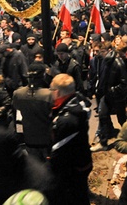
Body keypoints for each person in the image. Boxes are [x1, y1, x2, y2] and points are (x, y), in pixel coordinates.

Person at [49, 73, 92, 205]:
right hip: (82, 160)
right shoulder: (78, 100)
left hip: (72, 169)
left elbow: (58, 154)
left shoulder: (67, 121)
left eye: (51, 90)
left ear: (57, 92)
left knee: (75, 197)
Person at [12, 62, 53, 161]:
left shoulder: (18, 94)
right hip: (46, 140)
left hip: (28, 139)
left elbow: (16, 118)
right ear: (43, 75)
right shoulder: (49, 95)